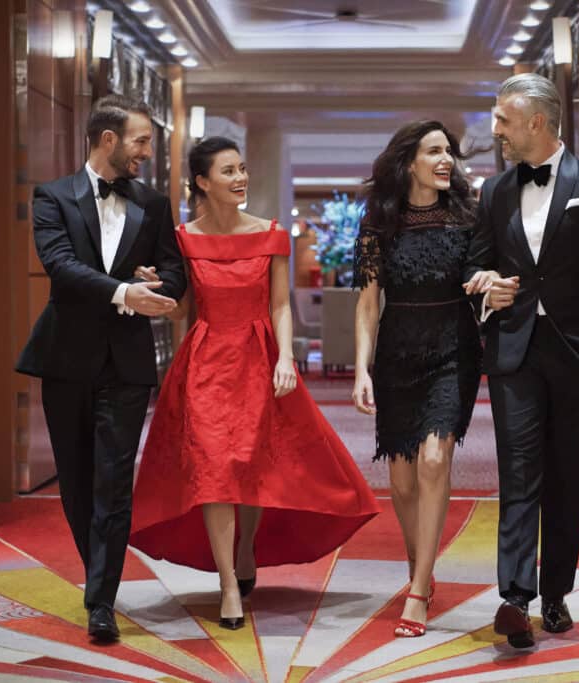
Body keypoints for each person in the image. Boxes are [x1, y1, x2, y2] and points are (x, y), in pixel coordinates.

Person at [129, 136, 380, 630]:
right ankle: (228, 584)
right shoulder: (183, 238)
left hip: (258, 358)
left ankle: (246, 546)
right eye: (228, 171)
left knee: (248, 465)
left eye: (242, 168)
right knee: (214, 469)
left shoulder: (270, 233)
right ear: (202, 182)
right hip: (203, 362)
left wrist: (285, 357)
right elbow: (181, 309)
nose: (240, 178)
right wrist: (153, 287)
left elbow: (281, 305)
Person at [464, 73, 579, 648]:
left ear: (536, 122)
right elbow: (475, 265)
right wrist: (484, 284)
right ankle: (515, 598)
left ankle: (557, 595)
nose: (496, 131)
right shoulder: (493, 191)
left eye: (503, 120)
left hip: (577, 351)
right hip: (513, 351)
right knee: (518, 474)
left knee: (566, 476)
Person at [15, 95, 186, 641]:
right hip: (65, 357)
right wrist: (123, 291)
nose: (146, 154)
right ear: (108, 139)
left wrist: (156, 284)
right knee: (77, 480)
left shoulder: (153, 204)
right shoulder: (52, 197)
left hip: (127, 363)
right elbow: (61, 268)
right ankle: (99, 576)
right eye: (140, 142)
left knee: (114, 481)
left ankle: (100, 602)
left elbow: (175, 272)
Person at [352, 121, 482, 638]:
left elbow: (482, 276)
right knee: (402, 482)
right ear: (410, 162)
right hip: (397, 354)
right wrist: (361, 367)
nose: (446, 158)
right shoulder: (379, 222)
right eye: (435, 151)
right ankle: (418, 565)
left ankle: (420, 590)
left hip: (454, 348)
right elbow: (366, 302)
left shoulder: (467, 216)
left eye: (449, 151)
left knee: (433, 460)